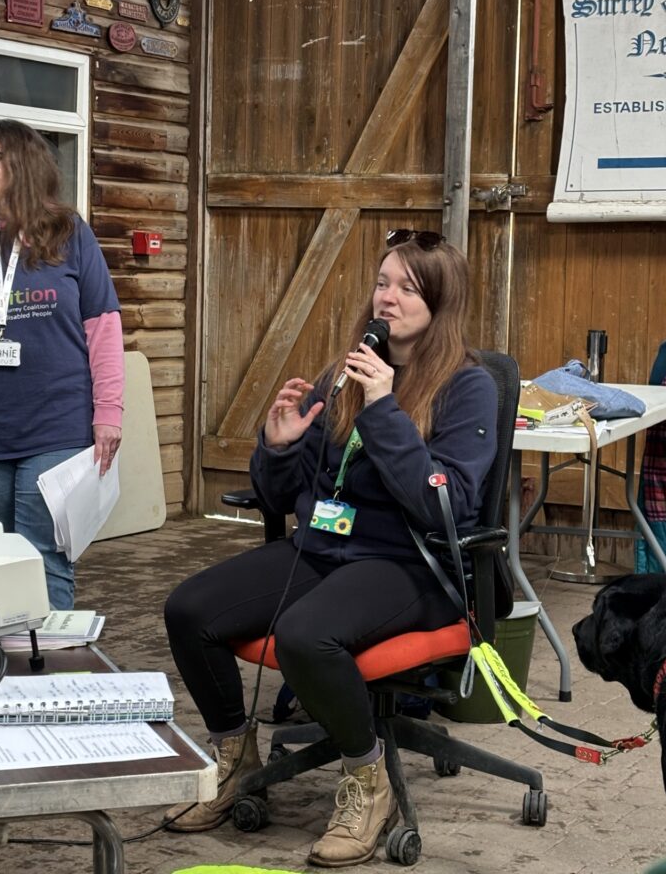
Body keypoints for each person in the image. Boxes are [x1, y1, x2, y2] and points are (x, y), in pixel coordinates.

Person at [163, 230, 497, 868]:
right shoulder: (343, 373)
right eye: (382, 283)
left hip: (410, 565)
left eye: (407, 288)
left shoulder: (466, 386)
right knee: (190, 609)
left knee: (305, 635)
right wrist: (279, 445)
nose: (387, 299)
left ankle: (369, 783)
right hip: (323, 549)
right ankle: (236, 757)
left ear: (441, 303)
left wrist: (383, 407)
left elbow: (444, 505)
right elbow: (279, 495)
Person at [0, 119, 123, 610]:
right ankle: (0, 657)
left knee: (44, 557)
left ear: (24, 163)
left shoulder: (69, 234)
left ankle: (52, 658)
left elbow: (103, 328)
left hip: (56, 426)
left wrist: (109, 412)